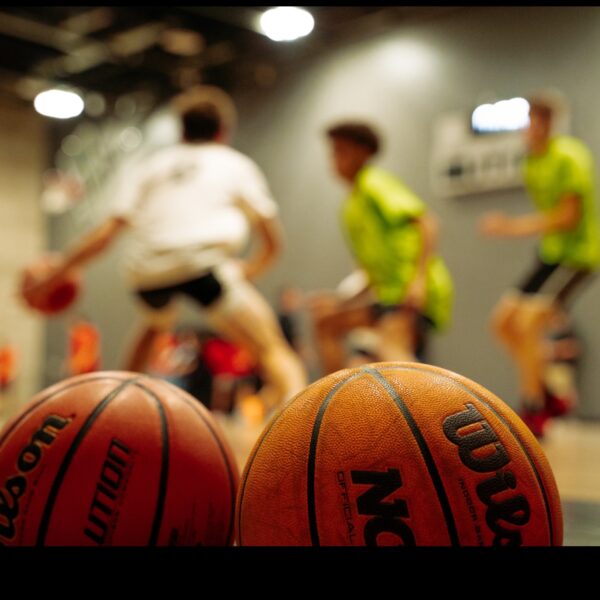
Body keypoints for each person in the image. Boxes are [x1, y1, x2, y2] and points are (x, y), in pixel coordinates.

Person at [22, 85, 307, 413]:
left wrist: (56, 272)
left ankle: (113, 411)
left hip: (146, 275)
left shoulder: (150, 166)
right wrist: (249, 270)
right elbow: (273, 242)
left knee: (154, 326)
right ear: (223, 132)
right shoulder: (235, 164)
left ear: (181, 130)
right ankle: (296, 430)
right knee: (273, 350)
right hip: (202, 266)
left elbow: (105, 234)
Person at [480, 91, 600, 437]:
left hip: (578, 256)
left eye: (537, 119)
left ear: (548, 123)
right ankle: (548, 392)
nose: (530, 127)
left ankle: (533, 408)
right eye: (527, 119)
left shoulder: (570, 156)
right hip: (550, 255)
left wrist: (511, 226)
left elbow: (568, 216)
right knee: (503, 323)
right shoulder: (531, 162)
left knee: (530, 321)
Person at [310, 121, 454, 374]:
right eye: (332, 152)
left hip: (411, 291)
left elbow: (427, 223)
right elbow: (370, 276)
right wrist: (341, 303)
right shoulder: (351, 206)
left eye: (340, 151)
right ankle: (334, 404)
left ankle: (429, 409)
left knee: (392, 351)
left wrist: (418, 280)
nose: (333, 159)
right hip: (387, 296)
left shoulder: (374, 183)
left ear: (361, 152)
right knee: (326, 324)